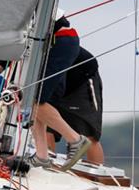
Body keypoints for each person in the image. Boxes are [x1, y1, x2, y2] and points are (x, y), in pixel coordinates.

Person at [28, 9, 92, 171]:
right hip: (55, 42)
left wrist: (1, 64)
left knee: (33, 99)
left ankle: (76, 140)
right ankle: (42, 156)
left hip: (59, 42)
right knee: (36, 100)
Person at [47, 46, 104, 165]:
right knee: (45, 126)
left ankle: (95, 176)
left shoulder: (62, 41)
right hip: (51, 80)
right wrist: (2, 64)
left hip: (80, 79)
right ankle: (45, 165)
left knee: (88, 134)